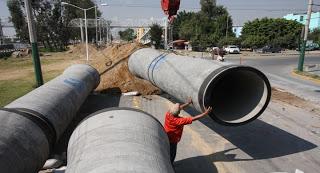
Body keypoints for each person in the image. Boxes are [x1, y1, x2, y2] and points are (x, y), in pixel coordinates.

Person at [164, 98, 212, 164]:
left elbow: (180, 108)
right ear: (178, 113)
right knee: (172, 153)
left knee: (166, 150)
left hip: (166, 135)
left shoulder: (168, 114)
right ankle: (170, 164)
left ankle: (167, 161)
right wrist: (205, 113)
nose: (180, 107)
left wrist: (188, 103)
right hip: (173, 139)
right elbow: (194, 118)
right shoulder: (179, 121)